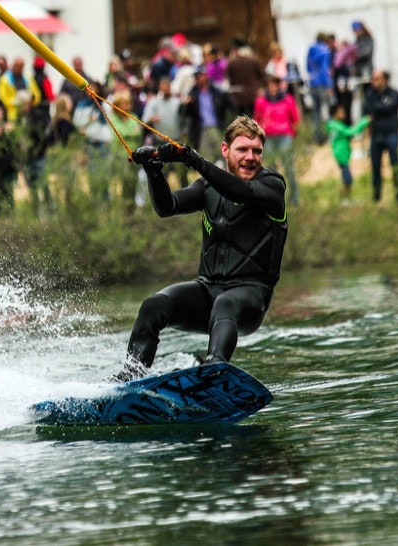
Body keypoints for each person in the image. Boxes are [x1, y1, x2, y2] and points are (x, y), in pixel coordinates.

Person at [114, 115, 287, 381]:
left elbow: (240, 192)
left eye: (257, 151)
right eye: (243, 149)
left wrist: (193, 159)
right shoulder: (207, 187)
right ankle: (129, 379)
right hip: (208, 290)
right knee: (154, 305)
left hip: (250, 299)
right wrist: (154, 170)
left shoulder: (272, 186)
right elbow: (167, 207)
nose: (250, 157)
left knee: (226, 303)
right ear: (225, 150)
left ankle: (214, 370)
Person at [254, 75, 301, 205]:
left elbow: (295, 119)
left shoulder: (287, 100)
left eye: (275, 84)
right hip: (268, 137)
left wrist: (293, 134)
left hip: (284, 135)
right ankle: (274, 197)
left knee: (288, 166)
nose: (272, 87)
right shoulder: (261, 101)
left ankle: (294, 196)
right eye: (270, 84)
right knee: (270, 168)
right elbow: (257, 120)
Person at [362, 70, 398, 203]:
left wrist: (376, 110)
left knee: (395, 164)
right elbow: (366, 110)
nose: (374, 82)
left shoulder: (394, 94)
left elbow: (390, 107)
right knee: (375, 167)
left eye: (377, 79)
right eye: (373, 79)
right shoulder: (369, 95)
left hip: (391, 133)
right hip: (376, 136)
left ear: (385, 80)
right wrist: (380, 109)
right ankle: (377, 195)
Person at [181, 66, 236, 166]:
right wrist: (186, 104)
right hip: (202, 129)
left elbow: (231, 106)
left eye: (199, 76)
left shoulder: (217, 90)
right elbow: (186, 114)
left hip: (217, 127)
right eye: (196, 77)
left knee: (225, 155)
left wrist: (230, 124)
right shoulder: (193, 93)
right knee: (206, 160)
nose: (197, 79)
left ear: (205, 76)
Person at [324, 104, 371, 202]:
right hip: (341, 155)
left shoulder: (334, 125)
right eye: (341, 111)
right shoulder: (336, 126)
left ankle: (347, 199)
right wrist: (365, 121)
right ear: (335, 114)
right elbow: (351, 132)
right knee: (347, 178)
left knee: (346, 177)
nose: (343, 113)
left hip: (343, 154)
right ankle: (344, 199)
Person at [306, 32, 334, 145]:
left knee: (316, 112)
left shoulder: (311, 49)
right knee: (328, 110)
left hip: (313, 83)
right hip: (323, 83)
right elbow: (325, 69)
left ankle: (317, 137)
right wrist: (329, 85)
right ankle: (331, 135)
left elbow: (308, 67)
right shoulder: (325, 50)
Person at [0, 56, 40, 122]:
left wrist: (30, 103)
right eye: (17, 65)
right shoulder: (5, 80)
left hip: (29, 114)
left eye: (21, 66)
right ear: (13, 65)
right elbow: (2, 98)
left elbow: (37, 95)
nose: (19, 68)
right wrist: (17, 102)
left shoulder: (28, 78)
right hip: (13, 115)